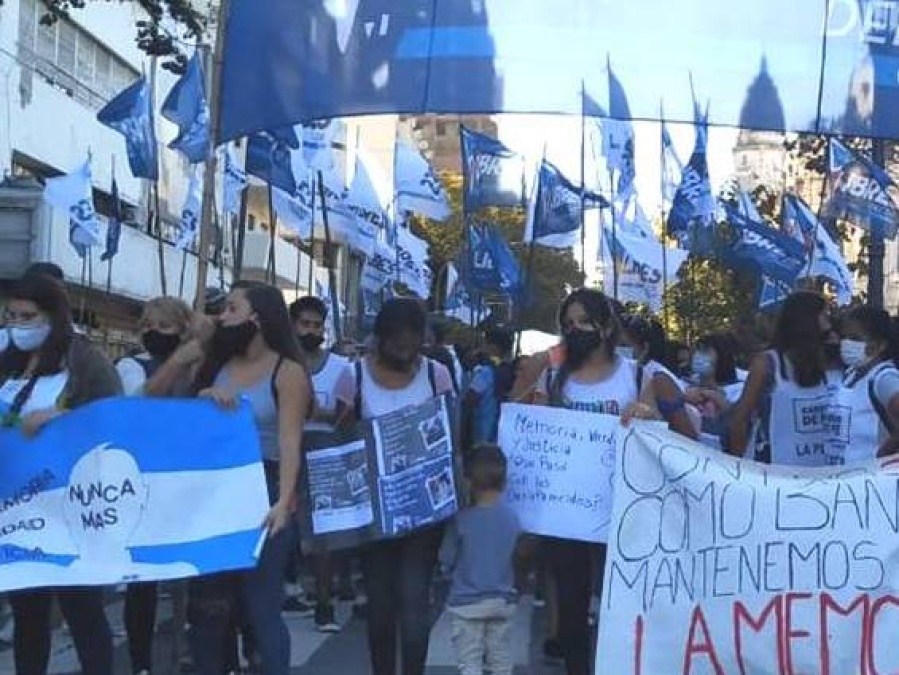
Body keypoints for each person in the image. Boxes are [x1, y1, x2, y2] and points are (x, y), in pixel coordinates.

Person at [533, 289, 695, 675]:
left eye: (584, 322)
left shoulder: (638, 375)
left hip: (624, 510)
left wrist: (645, 413)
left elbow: (659, 436)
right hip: (567, 513)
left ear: (606, 328)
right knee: (571, 604)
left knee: (619, 603)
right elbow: (537, 433)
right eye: (568, 324)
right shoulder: (553, 378)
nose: (575, 330)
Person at [187, 282, 311, 675]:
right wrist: (204, 399)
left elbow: (291, 442)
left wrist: (284, 502)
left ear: (258, 318)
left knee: (260, 607)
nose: (223, 317)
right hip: (214, 490)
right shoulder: (215, 365)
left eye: (232, 309)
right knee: (209, 606)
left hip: (264, 487)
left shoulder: (287, 371)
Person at [0, 273, 119, 675]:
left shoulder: (85, 360)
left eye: (27, 316)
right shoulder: (7, 361)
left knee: (81, 610)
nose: (17, 323)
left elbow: (114, 422)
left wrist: (63, 417)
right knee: (28, 613)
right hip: (17, 506)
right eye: (11, 314)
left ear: (53, 317)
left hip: (72, 508)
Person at [334, 298, 454, 675]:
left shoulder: (437, 375)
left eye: (413, 341)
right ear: (380, 337)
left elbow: (451, 437)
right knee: (382, 608)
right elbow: (342, 440)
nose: (406, 349)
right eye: (397, 341)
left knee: (414, 603)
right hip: (375, 513)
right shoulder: (353, 377)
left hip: (424, 512)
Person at [114, 297, 195, 675]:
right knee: (142, 579)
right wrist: (177, 365)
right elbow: (136, 402)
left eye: (164, 326)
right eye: (148, 325)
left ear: (182, 330)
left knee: (191, 575)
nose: (154, 333)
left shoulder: (200, 367)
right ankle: (141, 662)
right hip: (143, 481)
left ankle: (189, 651)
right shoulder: (131, 365)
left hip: (189, 479)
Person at [289, 295, 354, 632]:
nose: (311, 330)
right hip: (286, 450)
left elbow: (347, 416)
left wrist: (318, 413)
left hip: (326, 453)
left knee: (324, 534)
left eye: (317, 325)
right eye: (305, 324)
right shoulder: (281, 364)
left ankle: (325, 601)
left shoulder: (341, 367)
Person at [727, 291, 840, 466]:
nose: (828, 322)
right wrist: (737, 469)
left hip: (822, 471)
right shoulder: (767, 364)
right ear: (806, 320)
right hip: (774, 471)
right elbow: (739, 421)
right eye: (823, 315)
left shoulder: (830, 361)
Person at [439, 445, 521, 675]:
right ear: (504, 482)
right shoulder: (512, 519)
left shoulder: (461, 520)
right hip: (501, 600)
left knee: (470, 662)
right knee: (501, 659)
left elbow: (446, 558)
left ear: (468, 482)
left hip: (466, 603)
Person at [834, 306, 899, 461]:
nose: (847, 343)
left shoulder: (884, 379)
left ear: (880, 344)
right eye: (845, 336)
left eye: (856, 338)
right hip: (844, 475)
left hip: (871, 479)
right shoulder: (850, 375)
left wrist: (881, 455)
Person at [684, 333, 744, 448]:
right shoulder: (684, 384)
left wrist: (712, 396)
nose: (697, 355)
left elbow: (737, 422)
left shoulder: (738, 389)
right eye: (697, 350)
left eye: (705, 351)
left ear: (721, 356)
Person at [464, 327, 515, 445]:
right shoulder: (512, 369)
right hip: (504, 431)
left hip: (483, 430)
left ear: (493, 347)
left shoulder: (486, 371)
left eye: (485, 343)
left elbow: (471, 397)